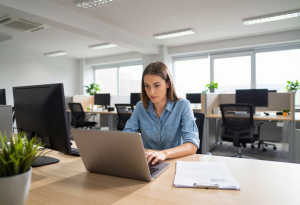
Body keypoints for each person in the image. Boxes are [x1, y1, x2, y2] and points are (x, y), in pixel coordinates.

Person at [123, 61, 199, 165]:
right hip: (149, 163)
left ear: (168, 84)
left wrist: (164, 154)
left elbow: (192, 145)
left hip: (175, 162)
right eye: (147, 86)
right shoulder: (140, 107)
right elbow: (126, 136)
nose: (151, 92)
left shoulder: (183, 106)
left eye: (157, 85)